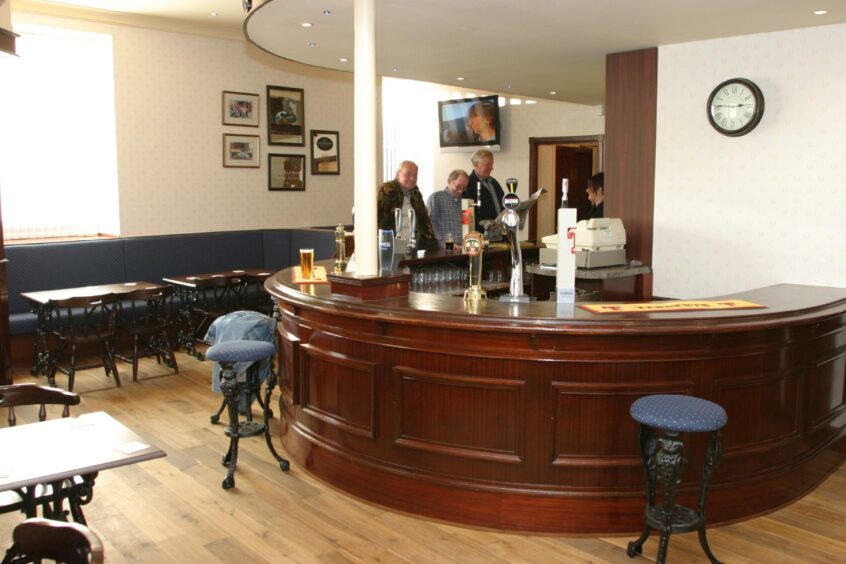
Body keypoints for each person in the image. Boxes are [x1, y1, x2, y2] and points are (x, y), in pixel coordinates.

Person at [377, 160, 439, 252]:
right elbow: (379, 220)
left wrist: (433, 244)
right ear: (398, 174)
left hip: (413, 246)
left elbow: (424, 219)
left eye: (415, 175)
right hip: (391, 246)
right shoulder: (386, 190)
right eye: (408, 174)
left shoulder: (415, 192)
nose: (412, 178)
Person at [460, 149, 505, 239]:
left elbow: (503, 204)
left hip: (499, 234)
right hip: (480, 237)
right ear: (476, 165)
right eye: (488, 165)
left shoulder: (494, 182)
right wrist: (485, 225)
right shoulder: (468, 185)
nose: (492, 168)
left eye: (492, 164)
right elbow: (467, 214)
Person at [426, 169, 468, 249]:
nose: (460, 191)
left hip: (461, 249)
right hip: (442, 249)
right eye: (458, 186)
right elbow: (430, 224)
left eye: (464, 188)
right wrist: (443, 243)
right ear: (449, 181)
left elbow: (466, 225)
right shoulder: (436, 198)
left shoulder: (464, 202)